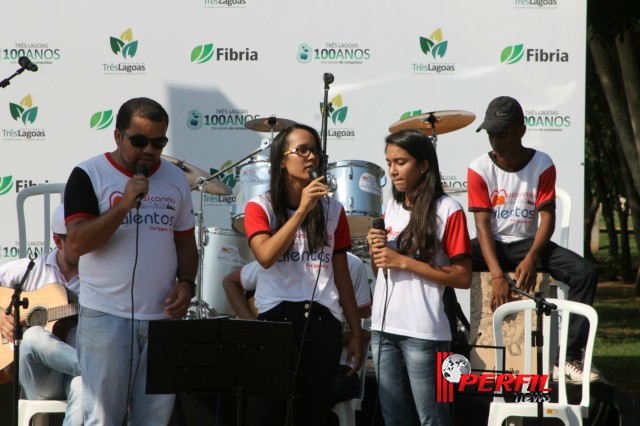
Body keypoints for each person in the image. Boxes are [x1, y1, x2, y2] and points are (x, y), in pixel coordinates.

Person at [63, 97, 198, 425]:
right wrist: (123, 206)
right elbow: (77, 244)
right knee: (102, 419)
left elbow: (185, 244)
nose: (149, 151)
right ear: (118, 136)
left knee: (154, 420)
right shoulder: (88, 174)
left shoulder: (176, 179)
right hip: (106, 318)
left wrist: (187, 283)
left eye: (158, 142)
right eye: (139, 141)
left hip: (162, 321)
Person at [467, 95, 599, 383]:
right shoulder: (478, 168)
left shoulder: (542, 163)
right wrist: (498, 275)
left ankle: (567, 358)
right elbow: (482, 226)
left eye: (501, 133)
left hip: (529, 245)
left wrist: (532, 257)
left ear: (521, 130)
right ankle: (455, 348)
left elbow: (547, 217)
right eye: (491, 134)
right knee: (442, 264)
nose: (495, 141)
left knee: (585, 272)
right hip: (492, 246)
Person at [242, 123, 364, 426]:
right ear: (282, 159)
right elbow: (266, 257)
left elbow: (341, 275)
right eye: (302, 150)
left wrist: (356, 332)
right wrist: (301, 211)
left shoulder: (334, 210)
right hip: (276, 320)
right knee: (266, 413)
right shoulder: (261, 207)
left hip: (323, 323)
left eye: (316, 151)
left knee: (313, 413)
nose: (311, 157)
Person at [367, 129, 472, 426]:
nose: (392, 170)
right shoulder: (390, 208)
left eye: (400, 162)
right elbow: (382, 273)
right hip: (384, 330)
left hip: (427, 334)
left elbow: (463, 277)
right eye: (388, 162)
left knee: (435, 419)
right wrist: (379, 254)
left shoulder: (448, 209)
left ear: (423, 165)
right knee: (394, 419)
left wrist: (404, 261)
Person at [222, 251, 372, 407]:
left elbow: (364, 321)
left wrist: (329, 334)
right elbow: (230, 281)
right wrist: (255, 326)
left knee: (315, 393)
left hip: (338, 364)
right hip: (283, 357)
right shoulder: (283, 254)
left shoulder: (352, 264)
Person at [0, 204, 82, 426]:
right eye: (77, 239)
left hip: (74, 377)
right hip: (41, 381)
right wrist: (1, 316)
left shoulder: (99, 277)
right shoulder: (31, 268)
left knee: (84, 387)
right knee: (34, 335)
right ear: (58, 241)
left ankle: (90, 371)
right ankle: (96, 368)